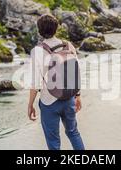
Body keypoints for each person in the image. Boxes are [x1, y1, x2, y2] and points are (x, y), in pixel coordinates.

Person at [27, 14, 85, 150]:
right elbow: (76, 72)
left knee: (53, 142)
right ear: (56, 29)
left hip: (49, 102)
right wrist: (78, 95)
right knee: (73, 133)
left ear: (40, 31)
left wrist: (30, 105)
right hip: (69, 97)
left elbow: (35, 84)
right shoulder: (68, 46)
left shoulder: (37, 51)